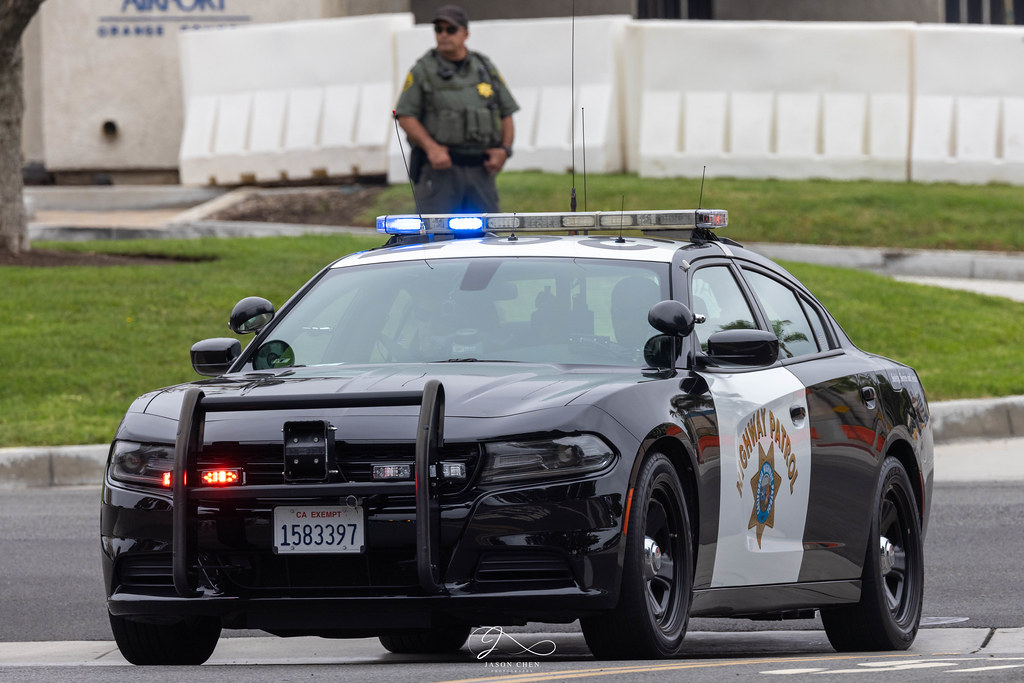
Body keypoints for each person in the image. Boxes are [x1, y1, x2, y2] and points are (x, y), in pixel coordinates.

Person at [395, 5, 519, 214]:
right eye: (438, 30)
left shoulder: (484, 68)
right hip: (441, 172)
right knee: (436, 238)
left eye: (450, 29)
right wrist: (432, 148)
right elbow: (405, 115)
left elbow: (506, 112)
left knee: (487, 238)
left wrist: (504, 150)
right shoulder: (423, 70)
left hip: (481, 171)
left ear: (465, 34)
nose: (443, 35)